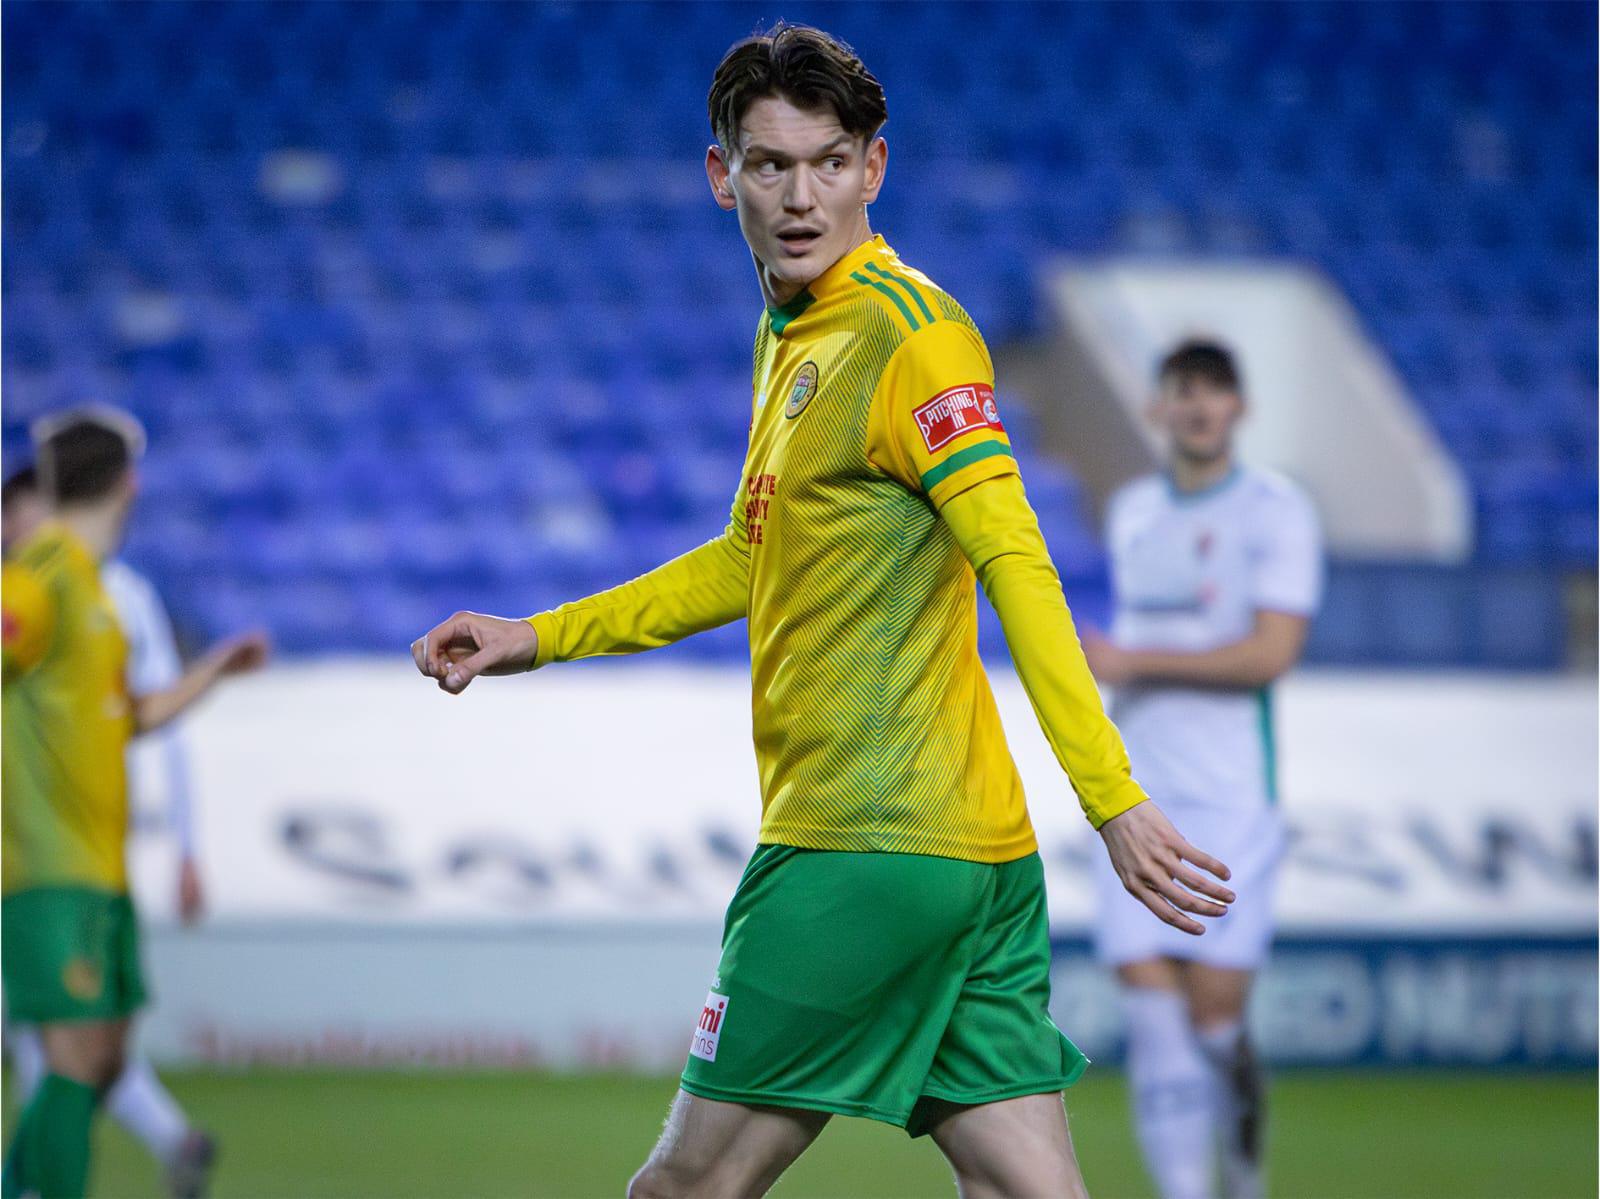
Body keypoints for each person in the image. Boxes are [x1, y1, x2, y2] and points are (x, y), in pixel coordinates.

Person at [412, 25, 1235, 1199]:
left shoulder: (911, 337)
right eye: (771, 165)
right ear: (722, 176)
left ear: (873, 168)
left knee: (682, 1189)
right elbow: (751, 558)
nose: (801, 198)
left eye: (829, 163)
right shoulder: (794, 331)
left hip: (859, 843)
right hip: (972, 865)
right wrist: (536, 635)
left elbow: (1015, 559)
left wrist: (1110, 796)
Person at [2, 408, 266, 1199]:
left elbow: (130, 714)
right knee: (72, 1053)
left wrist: (212, 671)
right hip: (47, 866)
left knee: (106, 1054)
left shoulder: (96, 590)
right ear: (129, 484)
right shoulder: (41, 578)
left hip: (99, 868)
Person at [1080, 340, 1324, 1199]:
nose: (1198, 405)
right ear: (1157, 408)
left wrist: (1133, 662)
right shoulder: (1133, 509)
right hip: (1136, 791)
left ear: (1239, 407)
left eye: (1214, 390)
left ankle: (1244, 1170)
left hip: (1230, 794)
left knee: (1215, 1018)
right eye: (1182, 390)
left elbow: (1270, 653)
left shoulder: (1276, 511)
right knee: (1151, 1011)